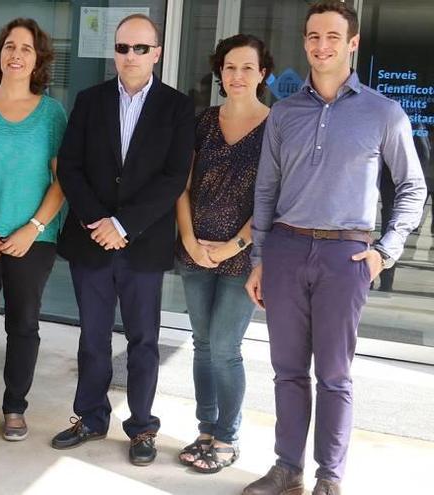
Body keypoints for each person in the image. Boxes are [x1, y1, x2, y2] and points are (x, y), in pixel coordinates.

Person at [243, 3, 427, 494]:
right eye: (312, 36)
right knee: (286, 370)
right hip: (284, 250)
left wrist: (383, 253)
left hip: (345, 257)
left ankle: (329, 477)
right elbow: (266, 191)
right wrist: (260, 259)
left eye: (331, 36)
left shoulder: (383, 112)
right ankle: (287, 469)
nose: (320, 45)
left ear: (352, 44)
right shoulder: (284, 113)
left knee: (334, 375)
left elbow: (412, 187)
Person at [51, 13, 194, 466]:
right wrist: (99, 221)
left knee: (143, 341)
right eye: (122, 48)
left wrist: (124, 224)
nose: (129, 56)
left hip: (143, 243)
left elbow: (174, 178)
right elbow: (69, 166)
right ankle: (91, 417)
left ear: (156, 52)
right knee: (92, 337)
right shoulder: (89, 100)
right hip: (91, 238)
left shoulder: (177, 106)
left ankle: (142, 427)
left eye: (139, 48)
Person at [0, 18, 67, 442]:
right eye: (9, 46)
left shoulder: (52, 114)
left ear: (38, 58)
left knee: (24, 324)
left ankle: (15, 406)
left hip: (33, 240)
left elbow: (62, 181)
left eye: (25, 48)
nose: (16, 54)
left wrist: (34, 227)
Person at [175, 34, 273, 474]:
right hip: (195, 252)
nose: (237, 76)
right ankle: (205, 429)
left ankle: (228, 437)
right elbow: (182, 186)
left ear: (262, 73)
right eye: (230, 67)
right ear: (220, 73)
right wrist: (192, 242)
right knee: (201, 345)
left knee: (225, 349)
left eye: (247, 68)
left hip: (241, 256)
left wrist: (232, 246)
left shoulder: (277, 126)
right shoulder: (201, 121)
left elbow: (275, 202)